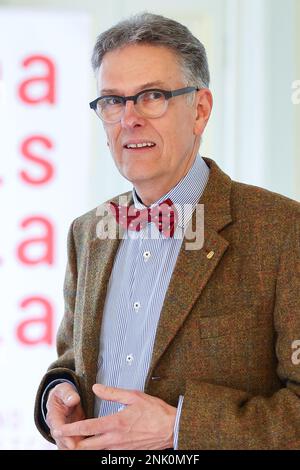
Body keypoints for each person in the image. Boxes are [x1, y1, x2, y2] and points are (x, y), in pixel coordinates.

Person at [34, 12, 300, 450]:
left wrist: (181, 429)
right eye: (113, 101)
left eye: (152, 96)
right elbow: (70, 358)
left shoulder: (283, 231)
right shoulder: (88, 233)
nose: (129, 119)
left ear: (200, 110)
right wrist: (56, 394)